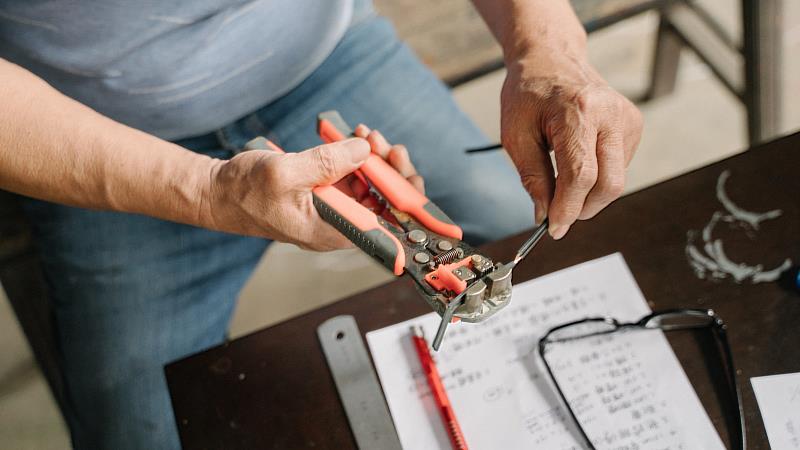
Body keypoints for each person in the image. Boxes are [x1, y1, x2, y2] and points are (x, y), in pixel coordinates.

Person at [0, 0, 642, 448]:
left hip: (324, 55)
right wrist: (207, 190)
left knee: (532, 236)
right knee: (134, 425)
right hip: (90, 122)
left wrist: (548, 52)